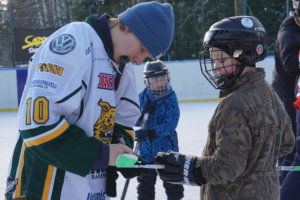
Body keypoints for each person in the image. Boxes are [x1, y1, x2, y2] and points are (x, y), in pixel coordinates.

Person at [5, 1, 174, 200]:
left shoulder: (123, 65)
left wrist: (121, 152)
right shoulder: (76, 40)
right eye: (143, 49)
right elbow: (37, 125)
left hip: (90, 189)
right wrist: (102, 155)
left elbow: (123, 122)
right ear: (127, 26)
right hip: (42, 186)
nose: (139, 60)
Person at [154, 16, 295, 200]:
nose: (216, 68)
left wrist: (188, 167)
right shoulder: (268, 92)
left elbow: (226, 167)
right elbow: (286, 142)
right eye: (214, 61)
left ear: (243, 56)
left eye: (221, 61)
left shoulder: (234, 105)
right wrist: (259, 161)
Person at [134, 60, 184, 200]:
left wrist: (151, 132)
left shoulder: (171, 98)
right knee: (145, 186)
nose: (159, 82)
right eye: (155, 79)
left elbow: (170, 124)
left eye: (162, 78)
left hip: (167, 149)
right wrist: (141, 114)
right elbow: (134, 119)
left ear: (167, 78)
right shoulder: (142, 98)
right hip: (146, 150)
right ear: (148, 81)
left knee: (173, 184)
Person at [271, 0, 300, 184]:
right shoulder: (288, 32)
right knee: (290, 141)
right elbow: (290, 64)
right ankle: (283, 185)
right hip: (285, 94)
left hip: (294, 93)